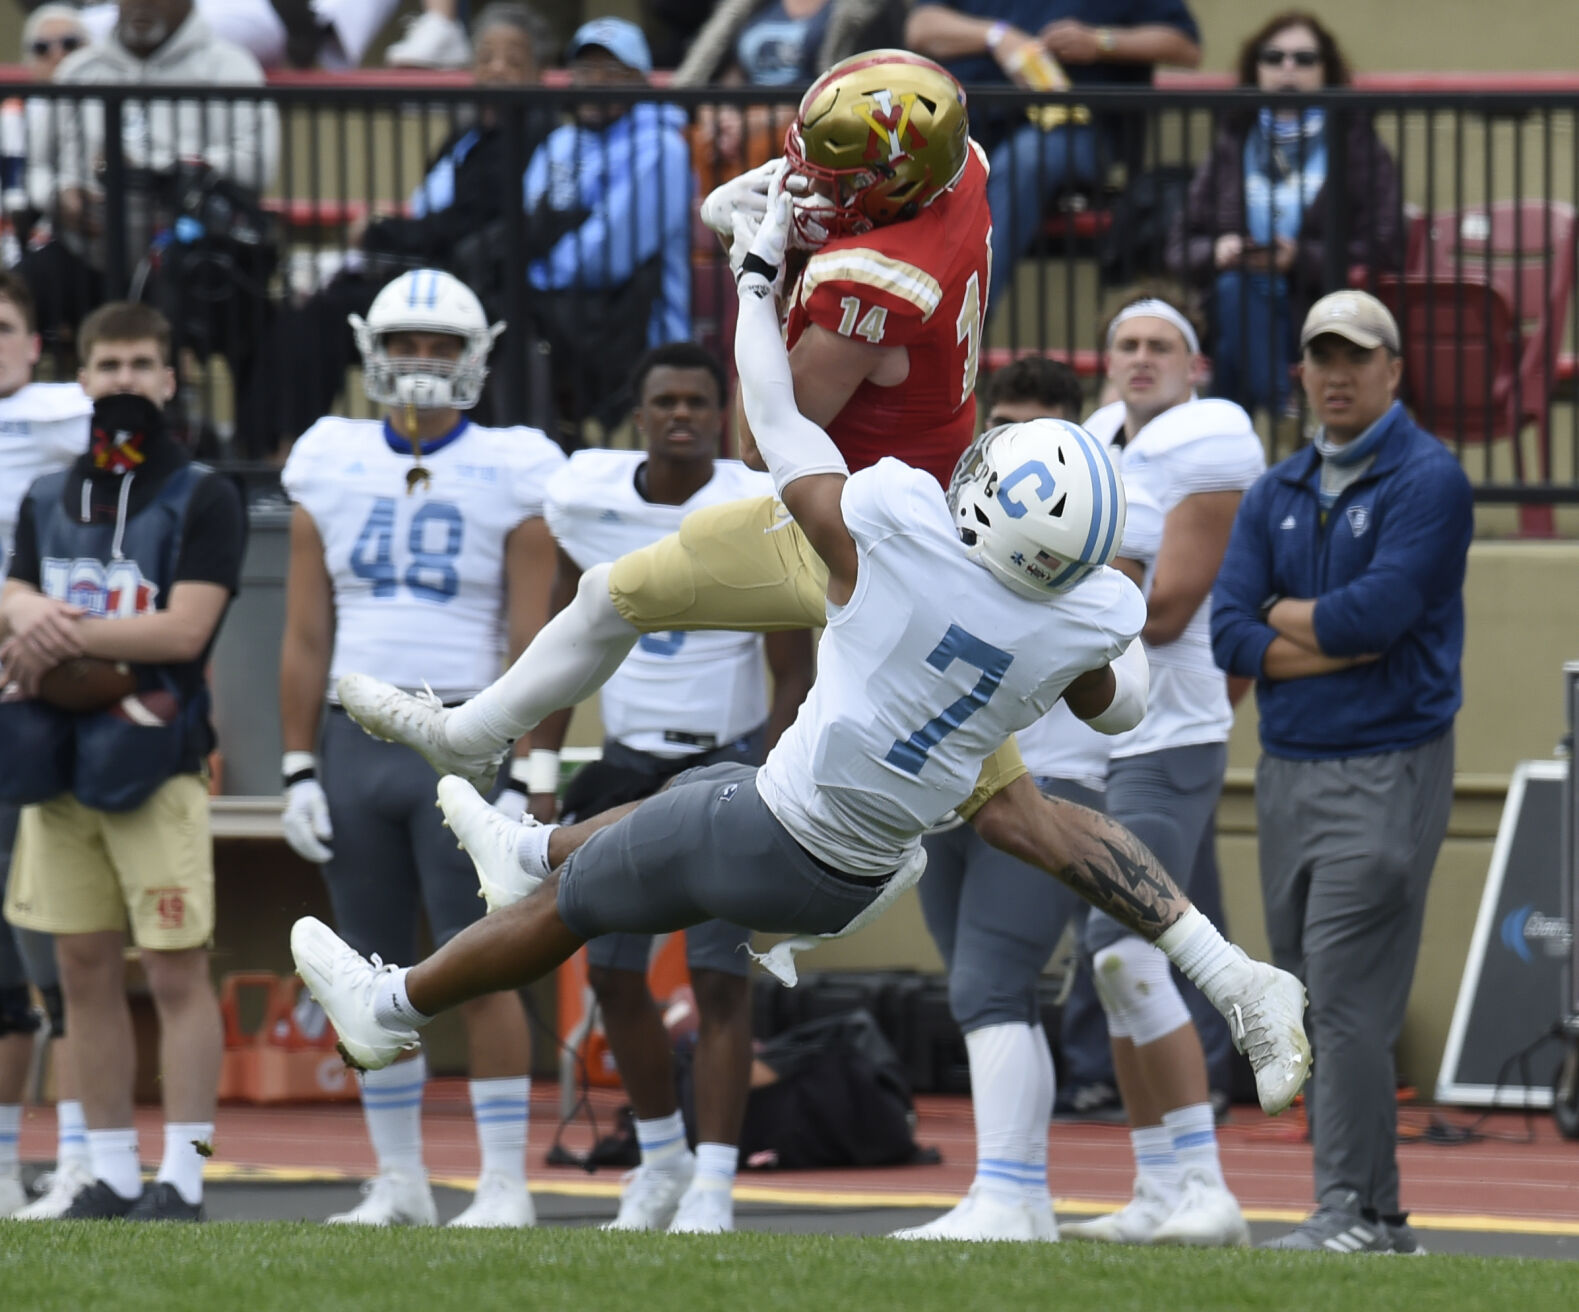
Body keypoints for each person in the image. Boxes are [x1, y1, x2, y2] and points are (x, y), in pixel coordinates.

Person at [296, 180, 1313, 1184]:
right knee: (703, 797)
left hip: (777, 839)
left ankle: (391, 1009)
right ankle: (525, 842)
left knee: (569, 908)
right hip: (867, 869)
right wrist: (1097, 616)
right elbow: (1119, 702)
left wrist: (750, 277)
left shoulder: (894, 539)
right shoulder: (1082, 618)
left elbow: (771, 420)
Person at [277, 268, 565, 1229]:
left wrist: (527, 765)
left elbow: (536, 639)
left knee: (479, 961)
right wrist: (296, 764)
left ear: (476, 356)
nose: (422, 363)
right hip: (353, 746)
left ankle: (502, 1183)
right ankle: (398, 1179)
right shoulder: (329, 456)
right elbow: (306, 631)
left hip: (462, 746)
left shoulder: (517, 464)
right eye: (406, 344)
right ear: (372, 350)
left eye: (441, 347)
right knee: (361, 967)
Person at [1210, 290, 1472, 1255]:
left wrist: (1284, 617)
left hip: (1387, 766)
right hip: (1287, 770)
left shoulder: (1428, 479)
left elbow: (1375, 621)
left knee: (1344, 1005)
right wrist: (1317, 629)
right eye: (1320, 357)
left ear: (1393, 370)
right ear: (1301, 371)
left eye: (1355, 357)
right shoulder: (1273, 489)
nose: (1335, 373)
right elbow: (1224, 631)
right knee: (1313, 1001)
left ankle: (1342, 1214)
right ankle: (1381, 1216)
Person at [539, 342, 813, 1234]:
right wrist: (541, 771)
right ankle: (660, 1161)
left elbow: (789, 666)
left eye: (699, 399)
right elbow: (560, 645)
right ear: (639, 415)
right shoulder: (587, 501)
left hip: (726, 762)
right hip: (623, 764)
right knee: (611, 976)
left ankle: (714, 1185)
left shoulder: (751, 505)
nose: (683, 415)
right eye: (666, 401)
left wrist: (775, 776)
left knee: (718, 977)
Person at [0, 301, 246, 1221]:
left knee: (176, 974)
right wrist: (25, 610)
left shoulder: (203, 493)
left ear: (170, 379)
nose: (125, 381)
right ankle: (106, 1171)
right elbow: (14, 589)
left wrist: (49, 628)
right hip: (55, 764)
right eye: (108, 365)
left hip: (156, 762)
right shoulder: (48, 492)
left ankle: (183, 1176)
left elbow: (184, 625)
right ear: (83, 379)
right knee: (79, 968)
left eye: (144, 363)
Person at [892, 354, 1118, 1242]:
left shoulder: (1091, 535)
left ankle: (1010, 1194)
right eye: (1003, 428)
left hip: (1045, 778)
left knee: (992, 982)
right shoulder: (959, 510)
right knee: (980, 990)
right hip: (958, 774)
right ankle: (1016, 1196)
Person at [1059, 289, 1263, 1249]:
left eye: (1158, 345)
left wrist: (1070, 591)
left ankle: (1207, 1186)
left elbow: (1169, 607)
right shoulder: (1098, 435)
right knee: (1112, 959)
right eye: (1124, 344)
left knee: (1127, 944)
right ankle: (1155, 1187)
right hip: (1095, 737)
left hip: (1168, 730)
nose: (1138, 359)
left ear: (1195, 367)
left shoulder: (1212, 435)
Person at [265, 3, 551, 450]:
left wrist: (380, 231)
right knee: (313, 309)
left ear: (538, 71)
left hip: (478, 285)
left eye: (513, 60)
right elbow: (431, 218)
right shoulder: (465, 135)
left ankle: (288, 446)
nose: (497, 69)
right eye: (486, 57)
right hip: (422, 269)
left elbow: (465, 223)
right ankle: (281, 445)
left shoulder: (536, 135)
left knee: (331, 313)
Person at [1166, 11, 1402, 415]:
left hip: (1320, 311)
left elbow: (1386, 243)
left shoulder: (1357, 145)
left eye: (1304, 59)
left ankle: (1236, 437)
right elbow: (1179, 245)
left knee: (1230, 338)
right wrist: (1219, 249)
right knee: (1233, 294)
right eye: (1273, 57)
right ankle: (1279, 404)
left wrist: (1299, 258)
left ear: (1326, 70)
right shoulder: (1233, 140)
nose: (1287, 68)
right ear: (1255, 68)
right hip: (1233, 303)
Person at [903, 0, 1201, 317]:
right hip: (970, 130)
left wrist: (1102, 41)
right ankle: (887, 314)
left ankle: (953, 323)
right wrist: (997, 37)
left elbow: (1185, 46)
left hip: (1076, 134)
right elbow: (921, 27)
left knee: (1025, 161)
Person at [0, 270, 93, 1219]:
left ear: (36, 344)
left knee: (51, 944)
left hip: (39, 700)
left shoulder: (74, 423)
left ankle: (75, 1154)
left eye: (2, 327)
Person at [518, 18, 694, 435]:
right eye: (585, 70)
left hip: (642, 335)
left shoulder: (662, 146)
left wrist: (534, 270)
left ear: (639, 80)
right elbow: (526, 227)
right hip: (565, 322)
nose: (595, 82)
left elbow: (603, 256)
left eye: (611, 71)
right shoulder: (560, 141)